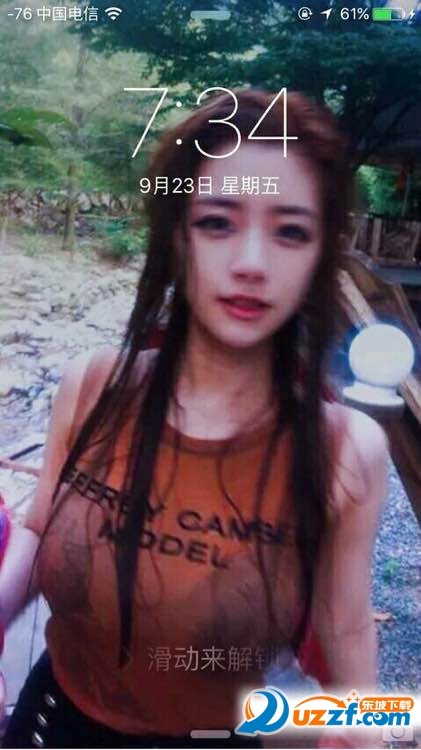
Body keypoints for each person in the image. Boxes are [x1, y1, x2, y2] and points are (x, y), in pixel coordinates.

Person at [0, 89, 388, 749]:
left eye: (290, 232)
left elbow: (345, 626)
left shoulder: (345, 449)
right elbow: (38, 529)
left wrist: (365, 730)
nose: (251, 263)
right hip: (48, 725)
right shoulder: (94, 387)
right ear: (178, 238)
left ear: (319, 256)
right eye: (217, 222)